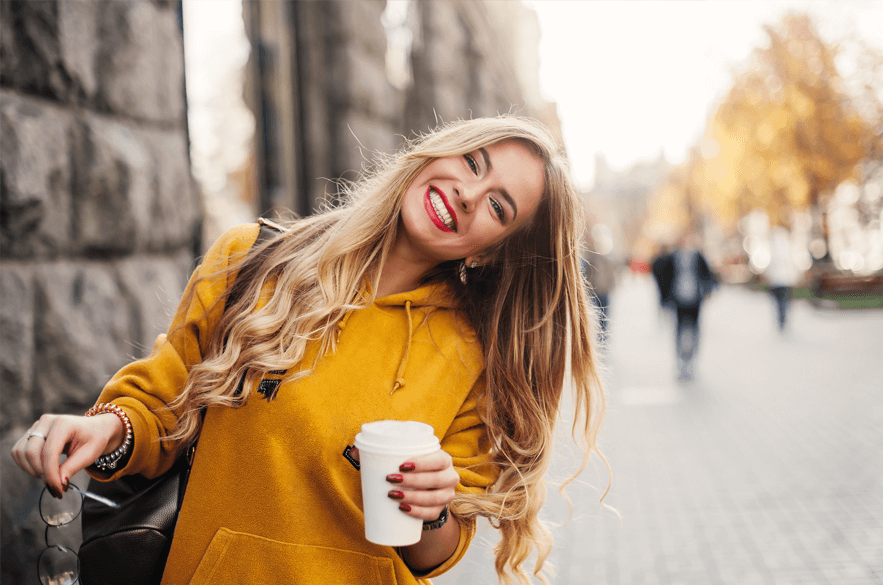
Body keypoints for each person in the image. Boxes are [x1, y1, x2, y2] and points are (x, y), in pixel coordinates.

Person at [11, 116, 608, 584]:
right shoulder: (254, 261)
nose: (468, 194)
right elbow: (164, 402)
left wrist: (431, 508)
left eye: (498, 206)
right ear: (438, 152)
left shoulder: (473, 356)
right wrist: (108, 431)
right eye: (472, 162)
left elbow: (433, 556)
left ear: (490, 252)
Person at [652, 231, 716, 381]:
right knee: (680, 331)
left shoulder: (698, 257)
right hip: (678, 300)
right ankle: (681, 363)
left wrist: (708, 290)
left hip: (695, 300)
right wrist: (665, 301)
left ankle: (691, 360)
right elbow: (661, 275)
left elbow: (708, 275)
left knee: (694, 330)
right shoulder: (672, 258)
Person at [764, 223, 796, 332]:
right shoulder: (787, 245)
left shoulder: (773, 247)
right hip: (785, 280)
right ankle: (783, 320)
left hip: (778, 281)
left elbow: (770, 264)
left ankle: (781, 321)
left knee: (779, 303)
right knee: (783, 302)